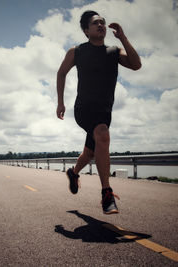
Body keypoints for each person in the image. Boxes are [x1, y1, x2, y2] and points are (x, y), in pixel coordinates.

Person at [56, 10, 141, 214]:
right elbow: (61, 73)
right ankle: (107, 194)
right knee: (102, 134)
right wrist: (60, 103)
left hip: (104, 111)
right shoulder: (77, 51)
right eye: (96, 23)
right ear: (86, 30)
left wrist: (123, 38)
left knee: (92, 150)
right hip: (83, 109)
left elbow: (136, 65)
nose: (101, 25)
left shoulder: (114, 51)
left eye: (103, 22)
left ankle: (73, 173)